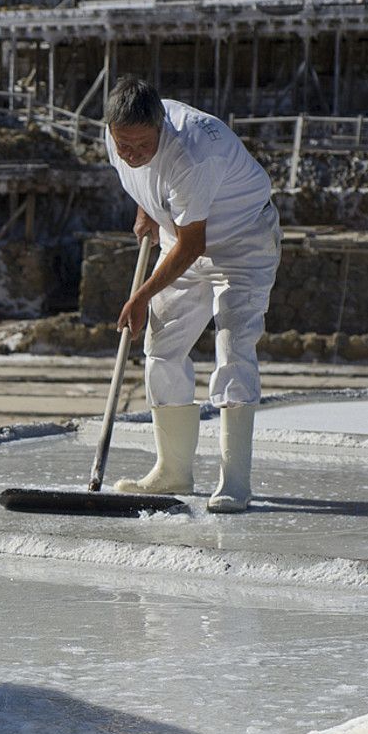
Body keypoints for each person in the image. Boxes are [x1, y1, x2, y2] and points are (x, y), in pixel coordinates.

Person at [102, 76, 281, 513]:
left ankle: (234, 481)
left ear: (161, 128)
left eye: (142, 146)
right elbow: (147, 178)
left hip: (242, 240)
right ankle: (173, 469)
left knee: (233, 348)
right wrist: (146, 208)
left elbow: (192, 244)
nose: (131, 154)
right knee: (162, 346)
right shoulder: (120, 134)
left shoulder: (193, 153)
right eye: (123, 145)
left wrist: (141, 295)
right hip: (180, 235)